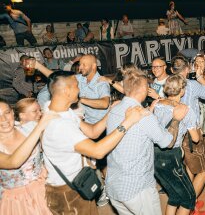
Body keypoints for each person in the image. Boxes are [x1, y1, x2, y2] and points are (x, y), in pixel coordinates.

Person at [41, 70, 147, 214]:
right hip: (67, 191)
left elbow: (93, 132)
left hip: (79, 181)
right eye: (77, 85)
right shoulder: (60, 126)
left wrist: (110, 112)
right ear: (66, 91)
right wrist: (128, 122)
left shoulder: (59, 110)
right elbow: (98, 151)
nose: (79, 89)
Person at [105, 67, 185, 215]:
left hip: (114, 187)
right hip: (136, 188)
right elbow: (168, 142)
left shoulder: (114, 109)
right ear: (143, 89)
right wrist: (176, 119)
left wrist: (150, 111)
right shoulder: (145, 117)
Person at [171, 56, 205, 205]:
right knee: (204, 171)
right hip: (191, 134)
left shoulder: (168, 84)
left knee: (189, 166)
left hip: (175, 133)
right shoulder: (191, 85)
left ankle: (190, 197)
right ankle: (188, 203)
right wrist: (200, 78)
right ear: (187, 69)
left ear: (171, 70)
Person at [153, 74, 200, 215]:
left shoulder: (157, 104)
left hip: (155, 154)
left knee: (174, 195)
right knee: (188, 198)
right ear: (182, 91)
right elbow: (196, 139)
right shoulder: (186, 110)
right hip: (172, 157)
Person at [0, 100, 56, 215]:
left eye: (6, 113)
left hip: (44, 186)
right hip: (17, 201)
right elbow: (13, 162)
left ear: (12, 113)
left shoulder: (28, 128)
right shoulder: (35, 128)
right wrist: (39, 127)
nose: (4, 119)